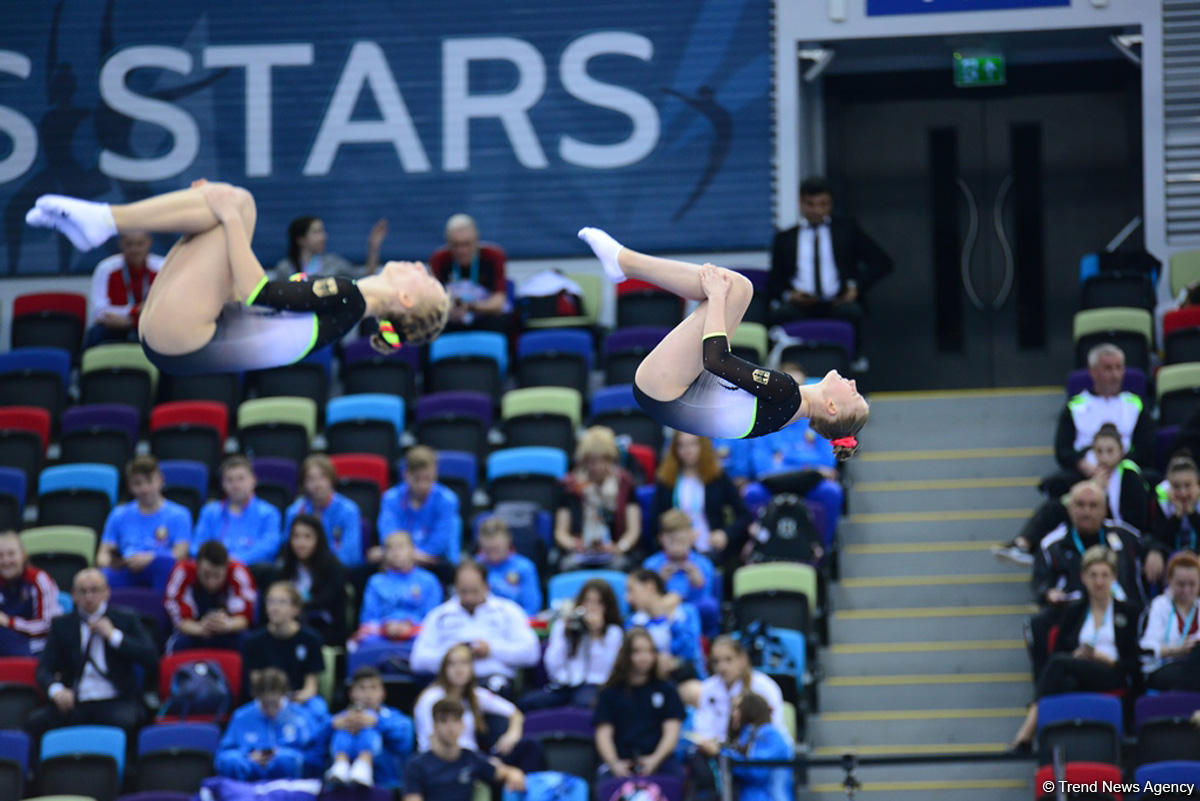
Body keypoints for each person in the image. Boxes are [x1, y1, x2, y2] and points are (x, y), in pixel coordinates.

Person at [25, 181, 448, 375]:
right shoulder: (345, 308)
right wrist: (214, 219)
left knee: (237, 204)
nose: (419, 266)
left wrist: (227, 219)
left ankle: (104, 220)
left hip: (187, 336)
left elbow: (257, 290)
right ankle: (100, 221)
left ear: (407, 299)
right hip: (177, 338)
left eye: (425, 277)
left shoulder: (345, 297)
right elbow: (240, 299)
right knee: (222, 208)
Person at [578, 228, 867, 457]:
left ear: (831, 407)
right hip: (673, 393)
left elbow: (716, 360)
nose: (853, 385)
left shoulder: (787, 394)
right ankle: (623, 264)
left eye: (854, 395)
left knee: (730, 288)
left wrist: (715, 297)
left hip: (665, 390)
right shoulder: (786, 411)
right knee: (739, 289)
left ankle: (625, 262)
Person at [1011, 546, 1141, 751]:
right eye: (1093, 575)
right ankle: (1067, 747)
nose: (1099, 582)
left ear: (1114, 577)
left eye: (1104, 575)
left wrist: (1101, 657)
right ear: (1083, 577)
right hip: (1079, 670)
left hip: (1113, 670)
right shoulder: (1074, 611)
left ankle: (1027, 733)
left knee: (1059, 666)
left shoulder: (1130, 612)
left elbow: (1136, 663)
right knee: (1065, 680)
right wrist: (1078, 656)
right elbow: (1060, 651)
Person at [27, 569, 158, 745]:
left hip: (116, 699)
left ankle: (124, 771)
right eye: (83, 591)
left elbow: (150, 657)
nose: (89, 597)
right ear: (73, 595)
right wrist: (56, 690)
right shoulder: (62, 625)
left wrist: (114, 636)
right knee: (36, 723)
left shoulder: (126, 619)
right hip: (76, 701)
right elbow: (44, 669)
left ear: (107, 593)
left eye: (95, 590)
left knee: (127, 720)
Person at [767, 177, 893, 355]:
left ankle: (855, 361)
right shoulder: (785, 238)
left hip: (838, 303)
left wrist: (855, 287)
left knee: (853, 313)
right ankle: (784, 366)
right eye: (810, 204)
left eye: (823, 204)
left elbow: (882, 262)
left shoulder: (847, 230)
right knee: (778, 315)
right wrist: (790, 295)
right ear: (801, 203)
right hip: (799, 306)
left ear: (831, 204)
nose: (817, 210)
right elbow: (774, 280)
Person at [410, 561, 540, 696]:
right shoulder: (439, 615)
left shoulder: (508, 611)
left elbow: (531, 653)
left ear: (487, 586)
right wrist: (454, 656)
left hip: (494, 681)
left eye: (474, 591)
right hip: (449, 684)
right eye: (463, 591)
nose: (469, 597)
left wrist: (491, 650)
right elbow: (418, 660)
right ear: (455, 588)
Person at [1044, 344, 1153, 497]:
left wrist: (1116, 466)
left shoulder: (1135, 404)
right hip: (1085, 472)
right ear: (1093, 372)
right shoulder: (1075, 406)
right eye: (1108, 368)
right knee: (1057, 484)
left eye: (1119, 368)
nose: (1115, 375)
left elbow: (1145, 447)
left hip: (1126, 470)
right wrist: (1083, 465)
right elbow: (1062, 449)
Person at [1033, 481, 1156, 608]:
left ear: (1104, 509)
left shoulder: (1125, 536)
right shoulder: (1052, 545)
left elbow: (1152, 543)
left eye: (1093, 505)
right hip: (1075, 619)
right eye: (1080, 505)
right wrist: (1049, 593)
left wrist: (1155, 551)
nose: (1087, 512)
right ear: (1069, 509)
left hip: (1127, 615)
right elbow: (1041, 584)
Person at [413, 644, 531, 768]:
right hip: (442, 762)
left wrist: (512, 735)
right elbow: (428, 743)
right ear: (443, 669)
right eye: (452, 664)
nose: (458, 669)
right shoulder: (430, 698)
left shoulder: (475, 695)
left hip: (472, 760)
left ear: (472, 668)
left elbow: (514, 713)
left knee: (529, 746)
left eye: (464, 663)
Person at [519, 578, 624, 711]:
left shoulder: (613, 632)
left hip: (593, 685)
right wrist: (565, 634)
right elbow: (551, 666)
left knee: (584, 703)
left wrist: (596, 636)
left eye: (598, 603)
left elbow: (607, 672)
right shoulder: (564, 625)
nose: (591, 608)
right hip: (564, 685)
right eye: (587, 601)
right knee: (527, 702)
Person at [593, 628, 685, 779]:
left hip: (659, 760)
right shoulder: (609, 693)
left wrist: (655, 759)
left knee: (677, 776)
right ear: (626, 655)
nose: (645, 657)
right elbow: (603, 734)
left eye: (649, 651)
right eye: (637, 651)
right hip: (621, 761)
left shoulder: (667, 690)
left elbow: (672, 732)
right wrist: (615, 763)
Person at [97, 455, 192, 591]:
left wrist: (151, 559)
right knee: (104, 577)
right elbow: (103, 554)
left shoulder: (180, 514)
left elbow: (180, 553)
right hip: (127, 569)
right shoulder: (118, 514)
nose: (144, 488)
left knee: (169, 568)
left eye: (149, 481)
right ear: (130, 487)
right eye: (137, 483)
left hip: (160, 569)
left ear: (160, 480)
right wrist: (116, 563)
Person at [402, 698, 526, 801]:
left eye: (455, 720)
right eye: (444, 721)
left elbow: (506, 772)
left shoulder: (471, 758)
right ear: (434, 726)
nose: (450, 728)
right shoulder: (416, 766)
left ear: (463, 725)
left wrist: (514, 775)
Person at [554, 426, 641, 571]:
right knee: (567, 566)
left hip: (613, 552)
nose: (598, 467)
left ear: (611, 459)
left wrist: (619, 547)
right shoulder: (570, 486)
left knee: (621, 565)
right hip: (581, 553)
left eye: (603, 461)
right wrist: (574, 545)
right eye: (592, 461)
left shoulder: (625, 483)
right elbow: (560, 533)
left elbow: (633, 530)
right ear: (584, 461)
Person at [243, 582, 329, 725]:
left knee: (319, 709)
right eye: (270, 602)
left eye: (282, 602)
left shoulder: (311, 639)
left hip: (299, 698)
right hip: (267, 698)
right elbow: (256, 682)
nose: (274, 608)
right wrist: (275, 700)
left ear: (295, 609)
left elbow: (311, 686)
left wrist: (296, 699)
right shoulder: (253, 641)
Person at [215, 667, 322, 781]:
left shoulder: (301, 716)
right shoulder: (241, 716)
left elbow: (315, 754)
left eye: (274, 703)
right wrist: (247, 756)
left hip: (289, 780)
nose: (270, 709)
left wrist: (281, 755)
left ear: (283, 695)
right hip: (249, 775)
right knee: (231, 760)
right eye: (265, 703)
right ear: (257, 697)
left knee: (285, 759)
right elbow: (224, 754)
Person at [653, 431, 748, 558]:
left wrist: (726, 534)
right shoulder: (666, 480)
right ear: (674, 449)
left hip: (711, 548)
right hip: (675, 551)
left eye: (693, 444)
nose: (687, 450)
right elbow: (655, 521)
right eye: (681, 445)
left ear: (703, 446)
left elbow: (744, 515)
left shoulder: (717, 477)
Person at [691, 636, 788, 758]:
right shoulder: (708, 688)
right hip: (719, 752)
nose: (722, 667)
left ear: (742, 659)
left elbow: (774, 729)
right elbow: (703, 729)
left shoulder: (765, 686)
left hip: (761, 754)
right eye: (716, 661)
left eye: (728, 660)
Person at [377, 446, 461, 584]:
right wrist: (400, 554)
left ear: (435, 473)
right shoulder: (390, 498)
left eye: (427, 479)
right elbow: (388, 536)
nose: (422, 485)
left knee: (448, 570)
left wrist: (406, 555)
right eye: (417, 479)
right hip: (396, 556)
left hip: (432, 561)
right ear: (406, 475)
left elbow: (438, 544)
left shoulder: (447, 500)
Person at [353, 531, 442, 655]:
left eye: (401, 547)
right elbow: (368, 618)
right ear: (385, 554)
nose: (396, 553)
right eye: (390, 548)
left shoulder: (429, 580)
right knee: (362, 643)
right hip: (383, 633)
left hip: (417, 633)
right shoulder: (376, 582)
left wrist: (409, 625)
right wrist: (387, 625)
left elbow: (433, 617)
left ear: (413, 550)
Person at [625, 569, 705, 705]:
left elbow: (691, 652)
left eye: (632, 590)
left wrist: (672, 621)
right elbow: (629, 655)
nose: (628, 598)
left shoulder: (685, 613)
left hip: (680, 678)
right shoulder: (633, 621)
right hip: (646, 679)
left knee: (697, 692)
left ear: (650, 587)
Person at [326, 666, 414, 789]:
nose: (368, 694)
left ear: (383, 692)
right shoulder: (339, 719)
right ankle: (341, 764)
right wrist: (330, 726)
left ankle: (364, 764)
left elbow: (405, 743)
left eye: (373, 687)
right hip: (342, 788)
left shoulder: (396, 718)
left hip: (385, 784)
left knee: (369, 729)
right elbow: (313, 744)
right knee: (342, 731)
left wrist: (378, 723)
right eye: (362, 688)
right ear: (351, 693)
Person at [192, 455, 282, 570]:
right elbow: (196, 546)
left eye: (240, 478)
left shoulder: (269, 513)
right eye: (229, 480)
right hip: (215, 572)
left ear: (253, 480)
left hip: (253, 571)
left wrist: (236, 561)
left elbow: (270, 546)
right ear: (223, 484)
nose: (235, 485)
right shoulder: (210, 512)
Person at [165, 540, 257, 652]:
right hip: (193, 630)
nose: (211, 582)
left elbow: (244, 617)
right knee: (179, 642)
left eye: (217, 575)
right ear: (197, 565)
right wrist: (200, 629)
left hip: (228, 629)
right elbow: (178, 616)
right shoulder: (183, 571)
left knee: (247, 641)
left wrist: (227, 625)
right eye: (206, 575)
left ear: (227, 568)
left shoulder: (238, 572)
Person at [429, 214, 512, 334]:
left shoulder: (494, 256)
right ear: (448, 243)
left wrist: (471, 307)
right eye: (455, 245)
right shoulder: (439, 259)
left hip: (483, 316)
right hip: (451, 317)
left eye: (466, 244)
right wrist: (450, 309)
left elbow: (499, 302)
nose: (462, 251)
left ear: (476, 240)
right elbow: (433, 301)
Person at [643, 510, 720, 636]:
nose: (676, 546)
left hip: (695, 613)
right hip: (660, 617)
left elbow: (707, 598)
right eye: (672, 540)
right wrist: (658, 582)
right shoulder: (651, 565)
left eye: (681, 540)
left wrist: (698, 583)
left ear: (691, 537)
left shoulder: (703, 564)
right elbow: (645, 601)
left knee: (708, 606)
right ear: (661, 538)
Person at [274, 514, 346, 646]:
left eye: (307, 537)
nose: (300, 543)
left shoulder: (333, 567)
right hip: (287, 624)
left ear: (318, 539)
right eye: (296, 536)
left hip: (324, 628)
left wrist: (293, 608)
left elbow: (326, 602)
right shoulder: (284, 566)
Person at [284, 455, 363, 569]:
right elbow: (289, 550)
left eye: (322, 477)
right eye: (310, 479)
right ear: (304, 483)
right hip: (303, 570)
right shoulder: (294, 512)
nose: (317, 484)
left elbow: (351, 555)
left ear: (332, 479)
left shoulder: (349, 510)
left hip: (336, 571)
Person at [85, 231, 163, 347]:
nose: (134, 250)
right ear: (121, 244)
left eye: (140, 244)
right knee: (96, 333)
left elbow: (169, 307)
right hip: (114, 326)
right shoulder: (106, 268)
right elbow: (99, 312)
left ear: (149, 243)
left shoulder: (162, 267)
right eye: (129, 244)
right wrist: (134, 312)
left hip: (152, 325)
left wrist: (132, 320)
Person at [1139, 551, 1200, 691]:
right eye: (1181, 584)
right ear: (1169, 581)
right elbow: (1147, 648)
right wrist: (1178, 650)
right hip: (1164, 668)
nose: (1186, 590)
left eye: (1192, 585)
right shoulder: (1159, 605)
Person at [720, 692, 795, 801]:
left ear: (751, 710)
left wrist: (722, 753)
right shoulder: (747, 737)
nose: (733, 714)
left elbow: (756, 771)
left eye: (738, 708)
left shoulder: (771, 736)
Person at [0, 531, 60, 657]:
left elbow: (47, 625)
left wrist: (10, 622)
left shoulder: (39, 579)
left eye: (11, 554)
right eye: (0, 555)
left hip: (37, 643)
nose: (5, 561)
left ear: (23, 555)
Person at [273, 214, 387, 279]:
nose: (323, 237)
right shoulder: (284, 268)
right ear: (301, 240)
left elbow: (366, 278)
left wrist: (373, 247)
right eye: (316, 232)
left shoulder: (334, 263)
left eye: (322, 231)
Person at [476, 517, 541, 616]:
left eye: (496, 548)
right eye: (488, 550)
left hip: (514, 624)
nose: (492, 554)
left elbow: (531, 608)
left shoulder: (524, 567)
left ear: (508, 541)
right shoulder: (474, 567)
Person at [1152, 455, 1200, 556]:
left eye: (1188, 485)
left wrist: (1191, 513)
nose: (1183, 493)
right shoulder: (1162, 502)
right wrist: (1177, 515)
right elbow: (1160, 540)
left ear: (1197, 484)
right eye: (1176, 486)